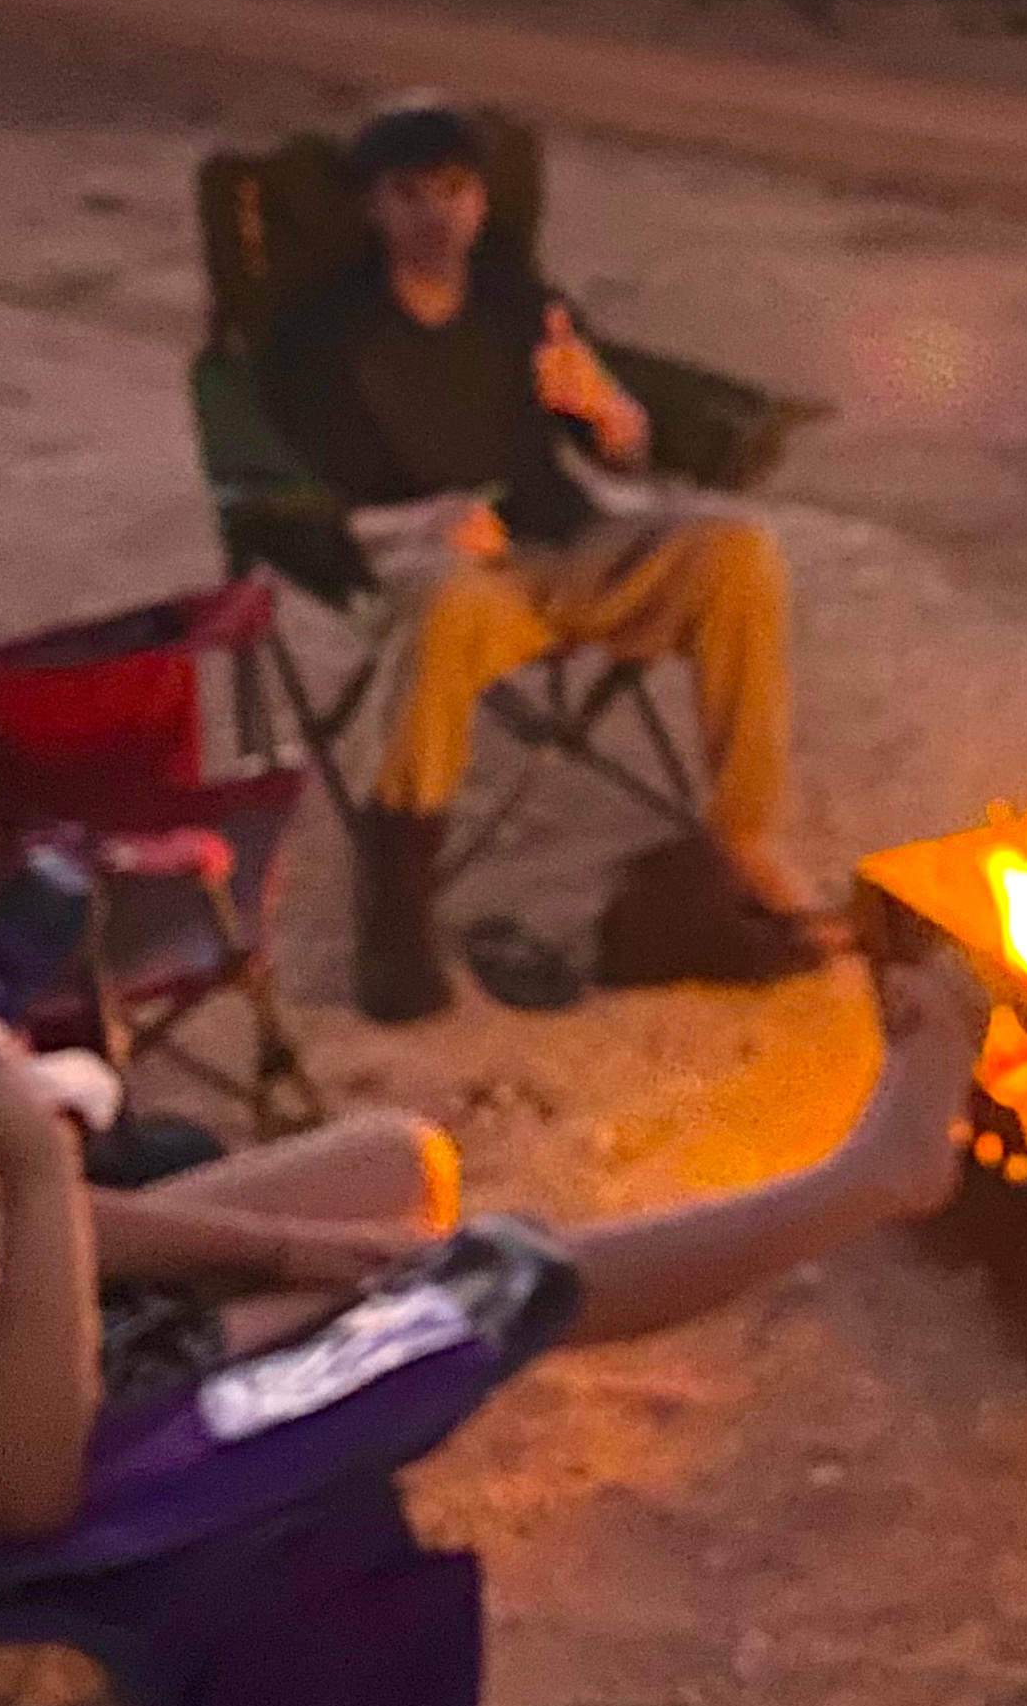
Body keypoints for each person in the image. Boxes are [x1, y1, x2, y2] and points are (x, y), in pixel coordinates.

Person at [0, 738, 986, 1542]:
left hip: (15, 1313)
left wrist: (291, 1245)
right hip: (86, 1430)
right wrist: (41, 1161)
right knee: (505, 1275)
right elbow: (20, 1487)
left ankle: (338, 1258)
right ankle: (864, 1182)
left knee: (394, 1170)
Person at [257, 100, 825, 1021]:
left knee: (736, 549)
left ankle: (743, 844)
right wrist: (421, 521)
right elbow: (297, 512)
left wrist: (610, 414)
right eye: (410, 194)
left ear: (481, 203)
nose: (436, 215)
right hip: (449, 580)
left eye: (456, 190)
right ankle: (395, 915)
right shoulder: (322, 340)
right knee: (443, 600)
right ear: (373, 208)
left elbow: (624, 456)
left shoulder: (519, 304)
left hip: (564, 552)